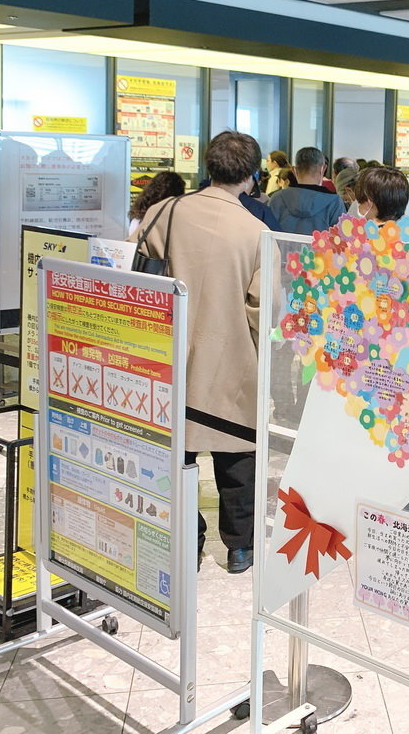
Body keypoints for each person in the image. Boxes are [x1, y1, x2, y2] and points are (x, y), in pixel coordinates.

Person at [128, 132, 269, 574]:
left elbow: (140, 283)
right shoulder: (258, 232)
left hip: (166, 356)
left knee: (176, 452)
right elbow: (262, 311)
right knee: (236, 455)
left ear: (209, 166)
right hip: (229, 359)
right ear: (251, 175)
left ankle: (187, 538)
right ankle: (240, 547)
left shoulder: (163, 212)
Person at [266, 147, 345, 235]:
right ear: (323, 169)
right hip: (318, 249)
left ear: (294, 170)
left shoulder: (277, 198)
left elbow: (268, 236)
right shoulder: (334, 202)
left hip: (282, 249)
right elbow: (340, 241)